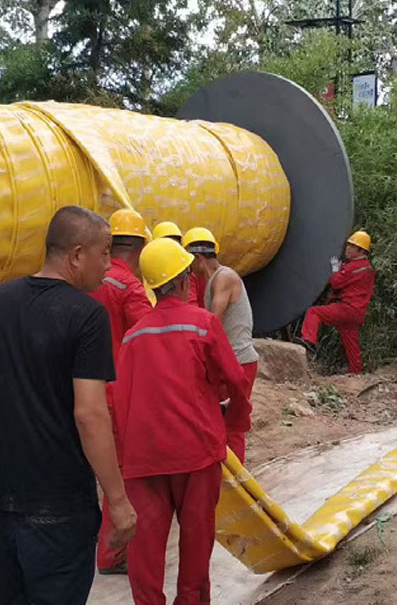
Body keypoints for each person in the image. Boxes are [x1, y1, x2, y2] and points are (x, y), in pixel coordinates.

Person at [0, 205, 137, 605]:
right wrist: (118, 501)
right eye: (104, 252)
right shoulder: (87, 316)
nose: (109, 264)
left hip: (0, 503)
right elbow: (89, 414)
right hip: (61, 509)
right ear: (75, 255)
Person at [114, 238, 251, 605]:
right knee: (195, 540)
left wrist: (124, 458)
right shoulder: (202, 324)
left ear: (154, 286)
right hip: (195, 452)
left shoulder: (134, 336)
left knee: (146, 546)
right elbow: (235, 380)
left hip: (145, 459)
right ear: (185, 279)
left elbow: (120, 399)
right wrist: (235, 421)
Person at [89, 208, 153, 575]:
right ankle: (112, 555)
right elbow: (149, 339)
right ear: (141, 247)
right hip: (115, 396)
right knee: (121, 476)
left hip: (78, 391)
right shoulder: (128, 287)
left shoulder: (85, 279)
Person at [184, 227, 259, 464]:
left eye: (189, 263)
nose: (189, 270)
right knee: (221, 421)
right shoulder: (213, 281)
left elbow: (211, 321)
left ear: (198, 258)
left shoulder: (224, 278)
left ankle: (238, 484)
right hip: (231, 362)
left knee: (233, 425)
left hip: (239, 361)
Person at [295, 231, 375, 374]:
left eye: (353, 246)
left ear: (361, 250)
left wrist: (335, 270)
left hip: (347, 308)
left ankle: (308, 340)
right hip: (358, 312)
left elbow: (336, 283)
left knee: (314, 312)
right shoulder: (368, 267)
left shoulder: (352, 268)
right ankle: (356, 373)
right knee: (351, 343)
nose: (348, 249)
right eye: (349, 245)